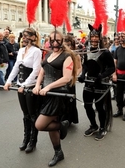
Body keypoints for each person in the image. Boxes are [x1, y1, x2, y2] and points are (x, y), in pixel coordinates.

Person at [32, 30, 78, 166]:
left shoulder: (67, 56)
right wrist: (37, 85)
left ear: (62, 40)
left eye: (57, 40)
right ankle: (58, 153)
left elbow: (66, 78)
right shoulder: (49, 54)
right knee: (51, 127)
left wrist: (48, 87)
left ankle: (63, 125)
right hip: (46, 95)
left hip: (58, 95)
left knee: (40, 125)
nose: (54, 42)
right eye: (52, 40)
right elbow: (42, 70)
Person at [4, 27, 42, 153]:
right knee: (25, 114)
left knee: (32, 114)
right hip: (21, 85)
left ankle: (33, 141)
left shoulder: (36, 51)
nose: (24, 38)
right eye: (23, 36)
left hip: (30, 86)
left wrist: (25, 85)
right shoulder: (20, 50)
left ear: (33, 38)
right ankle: (25, 139)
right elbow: (16, 67)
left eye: (27, 36)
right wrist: (9, 81)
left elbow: (36, 70)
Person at [78, 24, 115, 139]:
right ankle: (93, 125)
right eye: (92, 36)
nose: (94, 39)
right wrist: (82, 74)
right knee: (88, 106)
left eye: (96, 37)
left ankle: (103, 128)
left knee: (100, 107)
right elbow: (85, 65)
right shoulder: (86, 50)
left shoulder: (105, 52)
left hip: (100, 84)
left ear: (99, 38)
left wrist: (102, 76)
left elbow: (112, 68)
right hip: (88, 83)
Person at [63, 34, 80, 124]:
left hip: (70, 81)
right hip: (61, 80)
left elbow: (79, 67)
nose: (68, 47)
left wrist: (74, 75)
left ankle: (69, 119)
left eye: (69, 45)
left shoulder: (75, 55)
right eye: (66, 45)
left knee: (70, 100)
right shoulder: (59, 54)